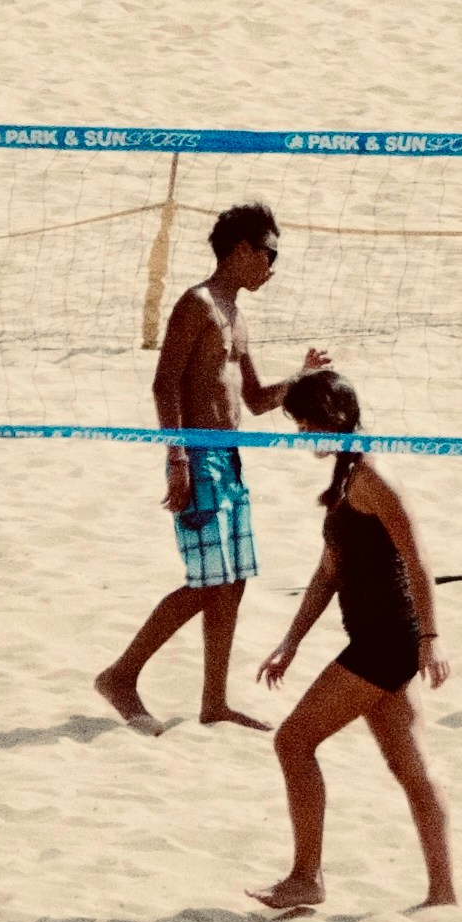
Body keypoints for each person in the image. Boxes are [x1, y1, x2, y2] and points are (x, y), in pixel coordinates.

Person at [95, 204, 323, 734]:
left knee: (234, 580)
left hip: (230, 460)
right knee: (207, 582)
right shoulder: (197, 305)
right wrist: (176, 458)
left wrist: (304, 377)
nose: (273, 265)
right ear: (242, 250)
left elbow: (261, 399)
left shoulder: (236, 315)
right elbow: (163, 383)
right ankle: (120, 675)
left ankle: (214, 703)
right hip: (196, 456)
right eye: (269, 253)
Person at [251, 370, 455, 913]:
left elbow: (419, 559)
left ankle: (306, 878)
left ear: (333, 420)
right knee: (412, 769)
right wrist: (290, 642)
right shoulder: (344, 477)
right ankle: (443, 895)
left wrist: (430, 639)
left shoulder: (371, 477)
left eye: (304, 424)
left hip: (386, 643)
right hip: (374, 637)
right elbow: (329, 571)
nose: (300, 435)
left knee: (292, 742)